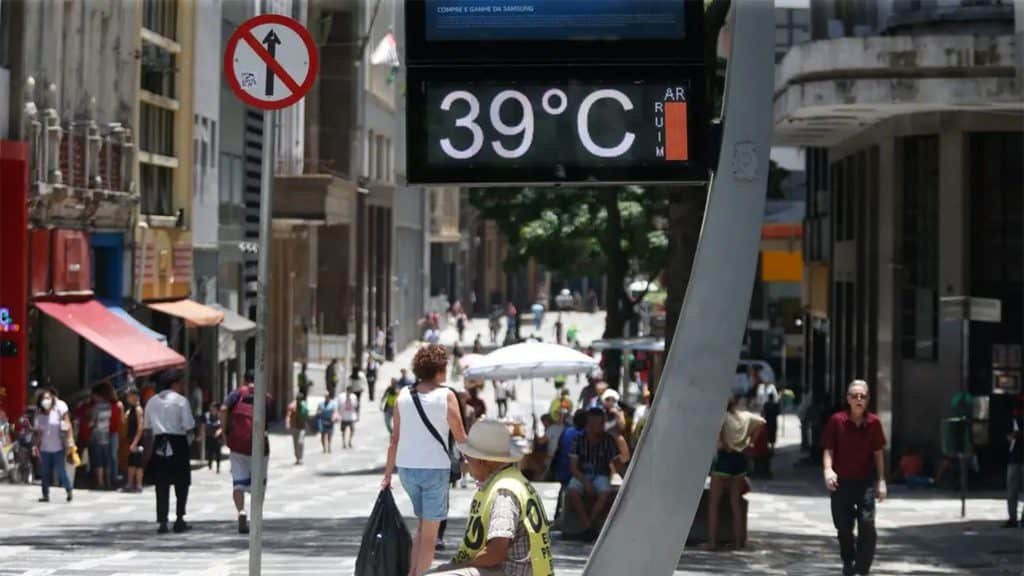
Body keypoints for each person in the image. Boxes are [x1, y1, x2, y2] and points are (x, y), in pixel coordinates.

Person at [426, 420, 555, 576]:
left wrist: (457, 567)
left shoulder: (503, 493)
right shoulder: (513, 480)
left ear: (481, 461)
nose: (467, 465)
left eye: (469, 459)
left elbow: (495, 554)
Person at [382, 344, 468, 576]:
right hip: (435, 470)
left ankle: (412, 572)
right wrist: (476, 466)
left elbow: (394, 439)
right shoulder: (446, 395)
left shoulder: (403, 395)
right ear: (438, 370)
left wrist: (387, 475)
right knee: (430, 535)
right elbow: (461, 437)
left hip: (407, 470)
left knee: (422, 527)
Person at [823, 380, 887, 576]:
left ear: (868, 399)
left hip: (865, 482)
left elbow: (878, 453)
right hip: (841, 482)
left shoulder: (874, 423)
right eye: (854, 396)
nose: (859, 399)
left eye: (863, 396)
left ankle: (862, 567)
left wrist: (881, 481)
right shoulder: (837, 421)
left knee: (867, 524)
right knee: (843, 527)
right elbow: (828, 449)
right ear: (848, 399)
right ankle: (848, 560)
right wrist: (828, 470)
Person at [706, 394, 765, 551]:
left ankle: (712, 542)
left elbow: (720, 435)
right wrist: (750, 442)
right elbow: (762, 422)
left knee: (714, 503)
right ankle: (739, 543)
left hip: (724, 459)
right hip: (740, 460)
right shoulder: (745, 417)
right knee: (736, 503)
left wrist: (726, 444)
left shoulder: (721, 417)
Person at [143, 369, 195, 534]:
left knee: (161, 482)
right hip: (178, 441)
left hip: (160, 442)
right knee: (182, 482)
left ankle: (163, 521)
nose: (182, 386)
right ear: (174, 384)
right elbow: (188, 424)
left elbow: (147, 426)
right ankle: (179, 518)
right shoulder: (181, 401)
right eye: (181, 383)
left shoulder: (152, 402)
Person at [567, 408, 630, 537]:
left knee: (605, 492)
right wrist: (585, 483)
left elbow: (616, 463)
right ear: (590, 424)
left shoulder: (608, 440)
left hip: (601, 474)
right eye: (600, 424)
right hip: (582, 474)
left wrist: (628, 480)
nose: (602, 426)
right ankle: (586, 523)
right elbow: (574, 468)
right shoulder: (578, 440)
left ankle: (590, 523)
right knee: (573, 490)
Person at [222, 373, 272, 535]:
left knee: (238, 483)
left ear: (244, 380)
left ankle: (241, 511)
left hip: (237, 445)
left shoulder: (236, 394)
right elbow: (268, 420)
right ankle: (256, 515)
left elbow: (223, 409)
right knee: (259, 482)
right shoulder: (265, 396)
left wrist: (224, 431)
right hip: (259, 446)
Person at [33, 389, 75, 502]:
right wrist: (35, 446)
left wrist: (70, 440)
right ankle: (45, 494)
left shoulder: (58, 412)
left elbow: (67, 425)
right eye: (43, 398)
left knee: (61, 471)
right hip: (45, 448)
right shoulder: (39, 415)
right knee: (45, 472)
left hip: (58, 447)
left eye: (48, 398)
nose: (46, 401)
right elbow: (38, 433)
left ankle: (69, 490)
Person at [89, 383, 113, 490]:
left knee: (98, 461)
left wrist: (89, 423)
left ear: (97, 395)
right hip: (106, 436)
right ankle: (108, 482)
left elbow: (92, 422)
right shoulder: (108, 406)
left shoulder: (96, 407)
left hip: (97, 436)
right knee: (106, 461)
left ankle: (100, 482)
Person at [1003, 394, 1023, 528]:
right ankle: (1012, 518)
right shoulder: (1014, 417)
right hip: (1015, 456)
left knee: (1012, 489)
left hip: (1016, 455)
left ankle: (1014, 518)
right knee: (1011, 490)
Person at [122, 387, 145, 492]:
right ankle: (130, 483)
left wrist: (135, 442)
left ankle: (139, 484)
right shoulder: (130, 409)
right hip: (131, 438)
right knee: (131, 462)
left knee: (138, 463)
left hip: (137, 440)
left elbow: (140, 427)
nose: (128, 398)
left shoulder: (138, 409)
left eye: (129, 396)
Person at [757, 378, 781, 449]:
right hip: (771, 419)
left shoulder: (772, 388)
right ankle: (769, 445)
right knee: (770, 431)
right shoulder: (760, 388)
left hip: (768, 418)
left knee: (769, 431)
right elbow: (778, 412)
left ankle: (769, 445)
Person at [285, 393, 309, 465]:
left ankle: (300, 458)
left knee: (300, 442)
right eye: (298, 400)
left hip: (302, 427)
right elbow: (288, 415)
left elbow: (306, 416)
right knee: (295, 444)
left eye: (301, 400)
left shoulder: (304, 405)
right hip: (294, 427)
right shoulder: (292, 406)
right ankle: (297, 458)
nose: (299, 401)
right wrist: (288, 423)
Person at [202, 402, 223, 473]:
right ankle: (209, 465)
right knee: (209, 451)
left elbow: (223, 426)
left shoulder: (220, 416)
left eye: (214, 407)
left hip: (218, 438)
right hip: (209, 436)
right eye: (212, 407)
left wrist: (219, 431)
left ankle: (218, 467)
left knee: (218, 452)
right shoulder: (207, 415)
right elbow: (203, 425)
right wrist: (202, 434)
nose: (213, 409)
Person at [317, 389, 339, 453]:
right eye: (325, 396)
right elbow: (318, 411)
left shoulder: (333, 403)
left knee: (329, 435)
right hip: (322, 421)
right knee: (323, 435)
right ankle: (324, 448)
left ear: (329, 397)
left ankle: (329, 446)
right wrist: (319, 412)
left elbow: (335, 411)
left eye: (327, 396)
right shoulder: (321, 404)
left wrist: (335, 418)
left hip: (330, 421)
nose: (326, 397)